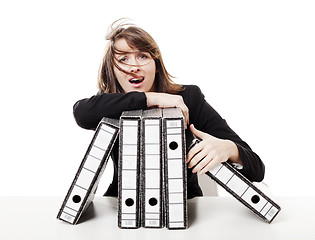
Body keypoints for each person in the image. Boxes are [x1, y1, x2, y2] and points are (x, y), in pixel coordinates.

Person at [73, 20, 265, 199]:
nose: (134, 67)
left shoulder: (189, 98)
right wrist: (152, 98)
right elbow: (81, 113)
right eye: (123, 59)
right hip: (122, 205)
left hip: (185, 207)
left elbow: (257, 169)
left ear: (156, 65)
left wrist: (230, 149)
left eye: (142, 56)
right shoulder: (110, 104)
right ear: (112, 70)